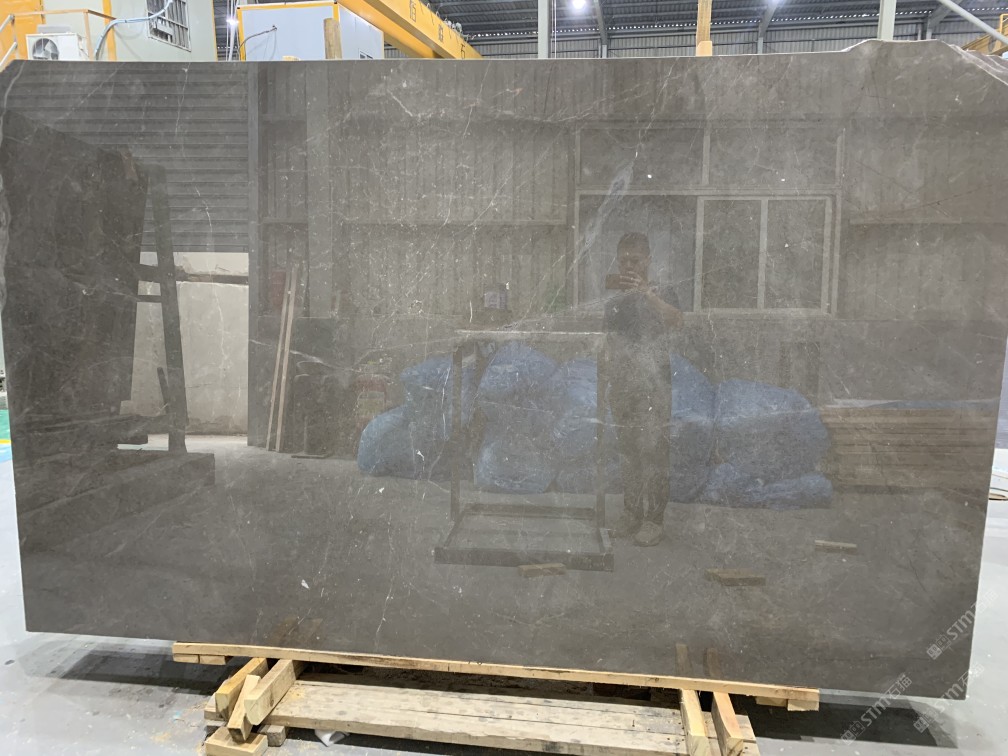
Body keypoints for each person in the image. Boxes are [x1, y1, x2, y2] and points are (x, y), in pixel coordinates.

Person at [604, 232, 683, 547]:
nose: (628, 266)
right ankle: (631, 513)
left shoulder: (663, 292)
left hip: (654, 385)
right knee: (628, 452)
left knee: (654, 452)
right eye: (623, 261)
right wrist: (609, 377)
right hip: (624, 383)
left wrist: (647, 294)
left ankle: (654, 520)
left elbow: (677, 321)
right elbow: (607, 342)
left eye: (634, 260)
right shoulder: (614, 302)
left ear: (648, 261)